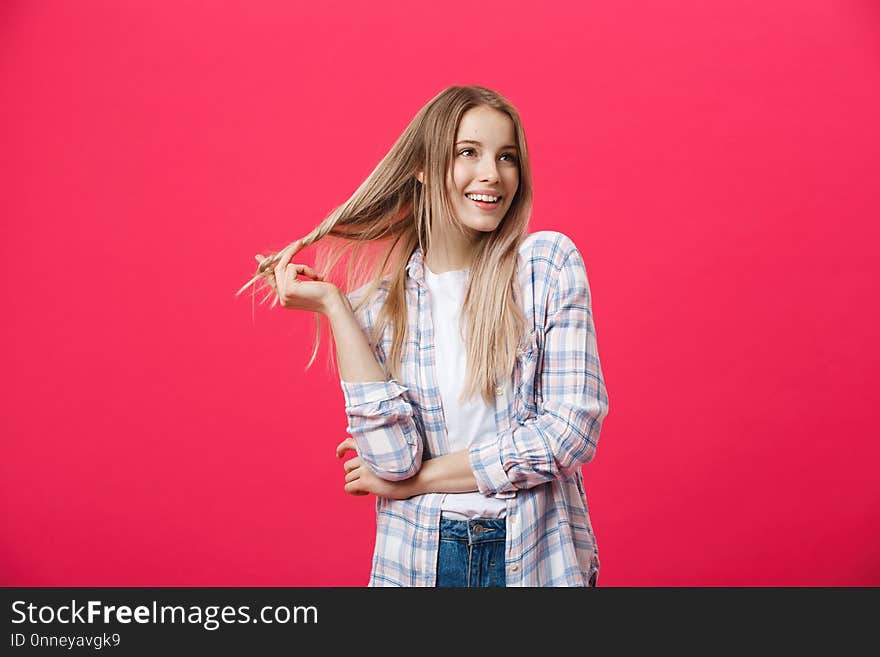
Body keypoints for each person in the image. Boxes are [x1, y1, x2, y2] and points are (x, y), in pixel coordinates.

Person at [238, 85, 610, 587]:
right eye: (467, 153)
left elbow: (569, 432)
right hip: (420, 562)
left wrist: (419, 480)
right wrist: (335, 309)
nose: (492, 175)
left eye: (507, 157)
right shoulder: (378, 310)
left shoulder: (545, 266)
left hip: (534, 558)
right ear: (423, 166)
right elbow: (391, 460)